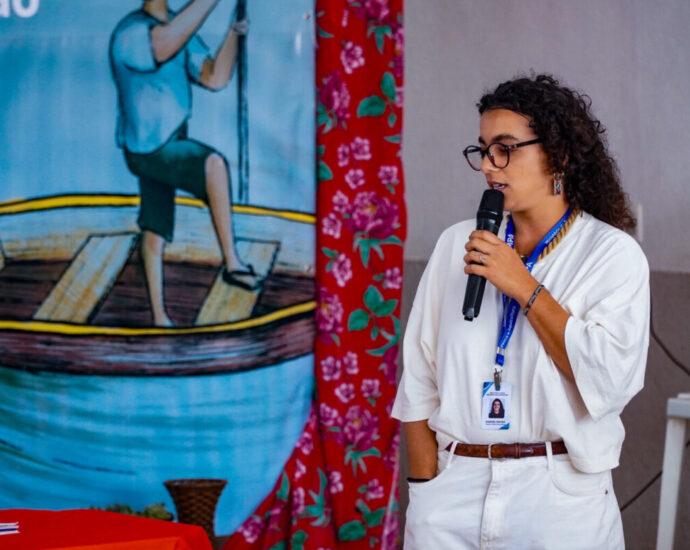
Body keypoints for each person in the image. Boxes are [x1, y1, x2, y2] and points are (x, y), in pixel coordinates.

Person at [392, 74, 649, 549]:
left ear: (560, 155)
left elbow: (610, 381)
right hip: (451, 494)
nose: (488, 165)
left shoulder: (612, 255)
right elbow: (419, 380)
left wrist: (523, 285)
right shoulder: (456, 243)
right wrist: (425, 491)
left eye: (505, 148)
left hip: (559, 500)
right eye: (483, 149)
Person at [110, 0, 256, 327]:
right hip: (149, 150)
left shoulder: (179, 28)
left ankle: (159, 317)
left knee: (155, 230)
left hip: (171, 140)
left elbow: (214, 77)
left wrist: (234, 32)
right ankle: (232, 262)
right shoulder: (131, 34)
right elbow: (163, 46)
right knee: (213, 166)